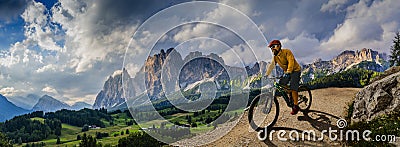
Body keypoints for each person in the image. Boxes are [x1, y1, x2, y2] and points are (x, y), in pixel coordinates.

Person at [265, 40, 302, 115]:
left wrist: (289, 71)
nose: (272, 49)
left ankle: (296, 105)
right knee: (281, 84)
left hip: (295, 70)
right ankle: (290, 94)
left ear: (279, 46)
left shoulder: (287, 52)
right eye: (271, 48)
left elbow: (291, 62)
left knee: (293, 88)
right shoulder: (275, 57)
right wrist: (267, 74)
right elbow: (272, 65)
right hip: (287, 72)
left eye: (273, 47)